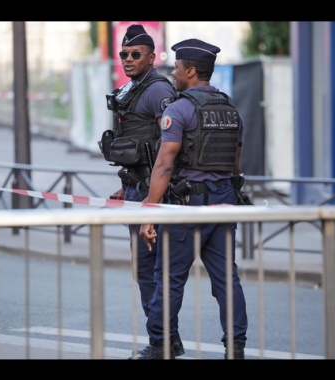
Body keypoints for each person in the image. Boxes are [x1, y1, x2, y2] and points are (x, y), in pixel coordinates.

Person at [135, 38, 248, 360]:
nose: (173, 72)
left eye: (177, 67)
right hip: (224, 203)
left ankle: (161, 346)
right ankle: (235, 348)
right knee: (227, 279)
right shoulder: (230, 109)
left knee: (169, 280)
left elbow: (165, 163)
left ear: (191, 70)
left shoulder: (179, 108)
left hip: (186, 206)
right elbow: (236, 163)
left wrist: (149, 214)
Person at [98, 25, 185, 357]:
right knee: (145, 270)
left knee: (153, 271)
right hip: (137, 191)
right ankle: (166, 339)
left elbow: (170, 146)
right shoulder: (134, 89)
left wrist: (153, 197)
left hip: (153, 195)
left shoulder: (157, 90)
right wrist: (126, 187)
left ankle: (162, 341)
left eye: (136, 54)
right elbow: (138, 147)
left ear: (152, 56)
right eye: (124, 54)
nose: (128, 59)